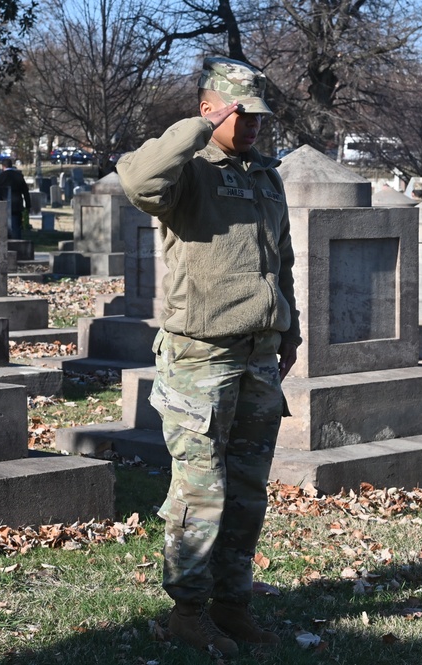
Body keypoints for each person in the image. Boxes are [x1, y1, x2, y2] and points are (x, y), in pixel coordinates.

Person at [117, 56, 300, 658]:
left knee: (247, 491)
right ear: (209, 110)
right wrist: (196, 128)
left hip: (256, 357)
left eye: (257, 116)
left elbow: (282, 261)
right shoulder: (187, 172)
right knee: (201, 491)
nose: (251, 125)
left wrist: (289, 329)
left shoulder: (264, 176)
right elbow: (139, 183)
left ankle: (232, 604)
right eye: (239, 113)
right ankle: (187, 613)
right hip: (200, 359)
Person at [0, 158, 31, 240]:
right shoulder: (19, 176)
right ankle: (17, 244)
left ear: (3, 166)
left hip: (3, 205)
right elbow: (25, 192)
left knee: (3, 226)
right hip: (16, 205)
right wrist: (28, 205)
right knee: (16, 226)